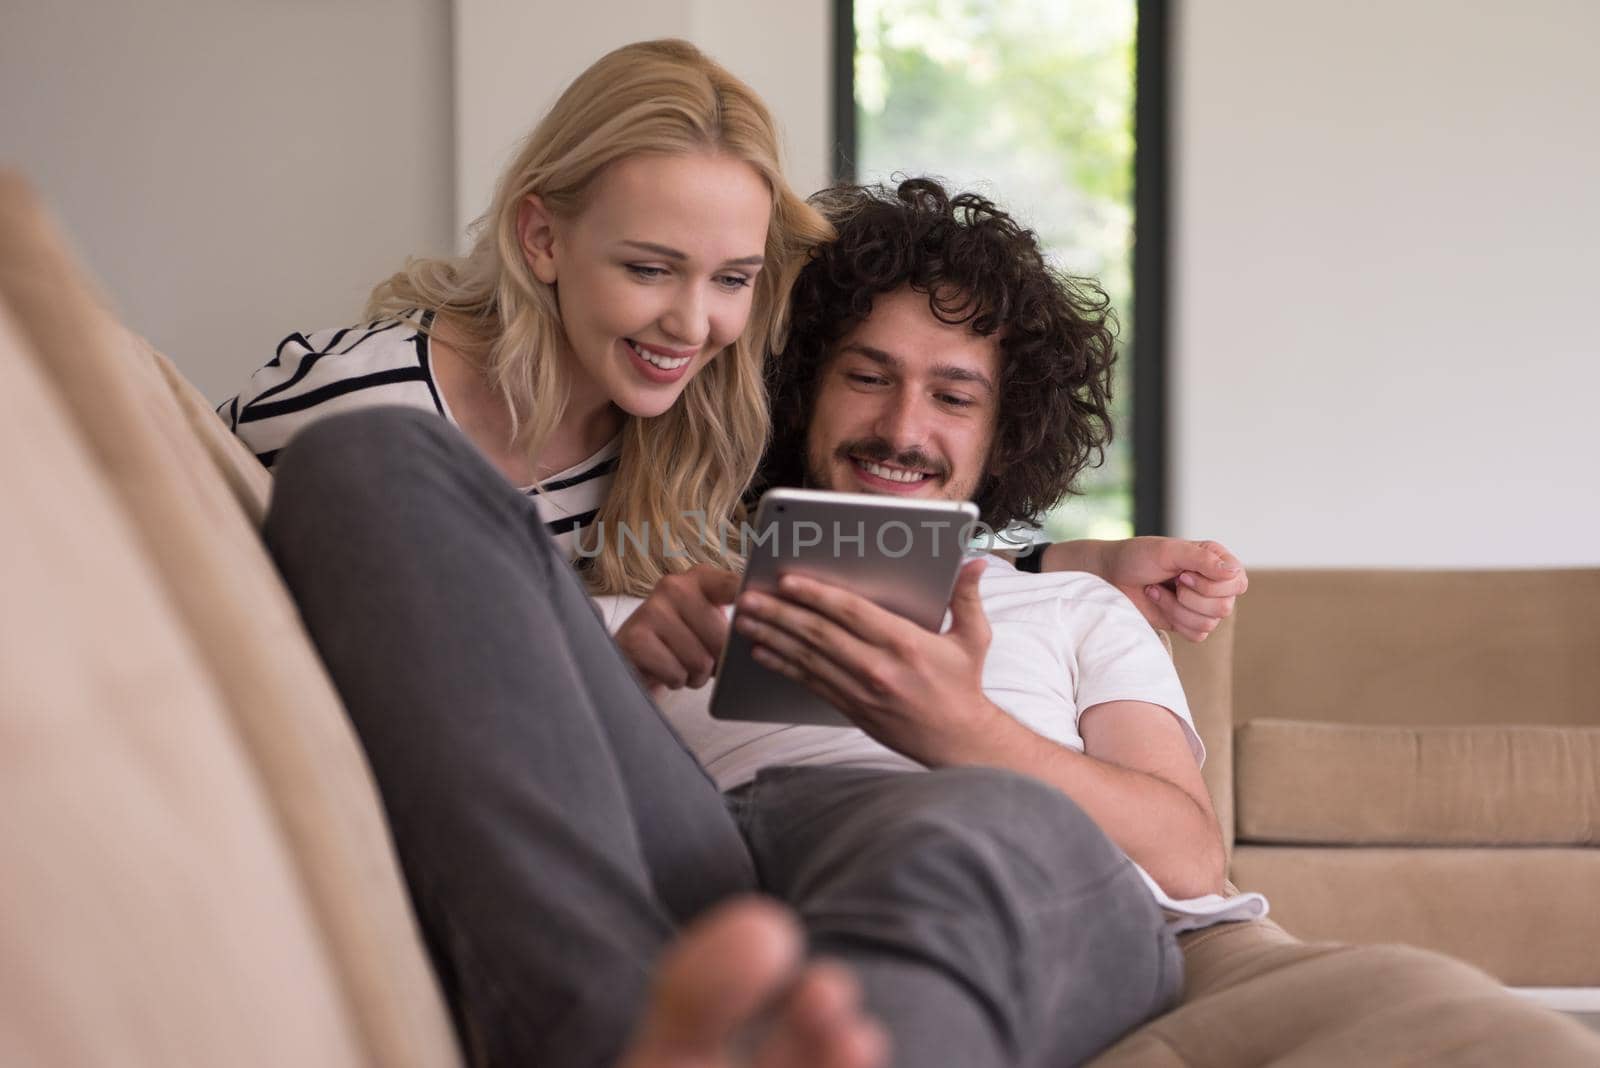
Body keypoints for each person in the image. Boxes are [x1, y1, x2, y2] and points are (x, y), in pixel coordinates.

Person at [606, 177, 1229, 901]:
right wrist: (620, 684)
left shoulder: (1078, 606)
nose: (902, 431)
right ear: (802, 394)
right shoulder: (662, 615)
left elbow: (1192, 863)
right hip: (777, 875)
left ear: (1003, 435)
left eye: (954, 398)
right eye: (869, 377)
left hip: (1037, 888)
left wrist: (965, 733)